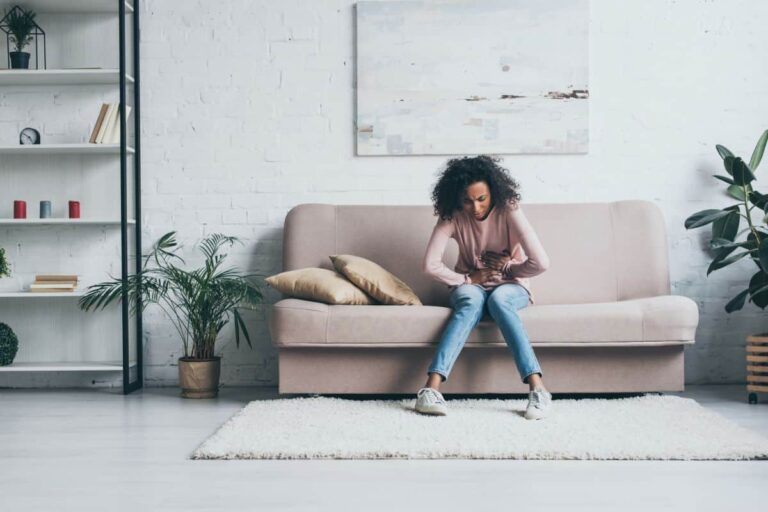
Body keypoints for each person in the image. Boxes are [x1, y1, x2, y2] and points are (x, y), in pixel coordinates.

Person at [415, 155, 552, 420]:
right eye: (467, 200)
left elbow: (541, 262)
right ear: (457, 198)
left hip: (511, 285)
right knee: (470, 300)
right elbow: (430, 265)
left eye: (482, 199)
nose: (475, 207)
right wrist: (467, 280)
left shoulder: (509, 208)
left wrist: (510, 268)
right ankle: (429, 390)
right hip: (470, 284)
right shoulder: (452, 216)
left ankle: (539, 390)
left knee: (499, 300)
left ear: (494, 193)